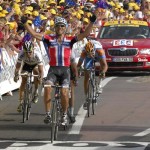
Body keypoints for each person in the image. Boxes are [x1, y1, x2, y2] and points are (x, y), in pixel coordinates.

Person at [21, 9, 98, 125]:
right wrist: (25, 24)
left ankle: (64, 115)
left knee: (64, 92)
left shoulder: (70, 39)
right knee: (47, 87)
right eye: (58, 26)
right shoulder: (49, 39)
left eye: (62, 26)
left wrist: (91, 23)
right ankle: (47, 114)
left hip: (65, 70)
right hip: (53, 70)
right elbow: (34, 34)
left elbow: (85, 35)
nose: (60, 28)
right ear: (55, 27)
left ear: (65, 27)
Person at [77, 39, 108, 110]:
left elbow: (105, 65)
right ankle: (86, 98)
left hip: (98, 56)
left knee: (102, 68)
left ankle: (99, 85)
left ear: (94, 50)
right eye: (89, 54)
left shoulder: (100, 51)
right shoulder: (84, 52)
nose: (90, 55)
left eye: (91, 53)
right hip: (88, 59)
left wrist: (103, 72)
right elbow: (78, 65)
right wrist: (78, 71)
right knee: (86, 75)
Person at [13, 41, 43, 112]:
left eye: (30, 52)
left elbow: (41, 70)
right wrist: (16, 75)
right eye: (26, 52)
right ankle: (20, 103)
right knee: (23, 81)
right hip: (26, 65)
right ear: (24, 51)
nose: (28, 54)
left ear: (33, 50)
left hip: (35, 65)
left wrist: (40, 77)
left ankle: (35, 92)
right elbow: (17, 67)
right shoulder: (21, 54)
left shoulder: (37, 54)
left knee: (36, 73)